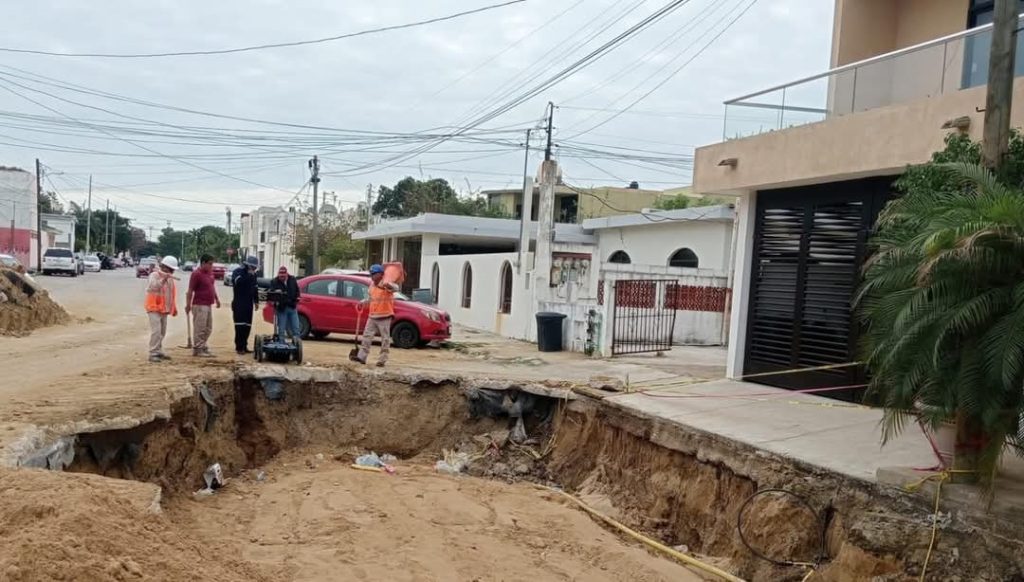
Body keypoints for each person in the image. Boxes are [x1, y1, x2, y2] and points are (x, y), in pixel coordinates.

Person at [351, 263, 399, 367]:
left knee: (385, 339)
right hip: (372, 315)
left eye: (374, 274)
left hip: (385, 315)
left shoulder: (386, 284)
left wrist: (389, 284)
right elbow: (371, 298)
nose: (372, 276)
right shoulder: (372, 285)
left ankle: (382, 360)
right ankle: (362, 357)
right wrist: (363, 302)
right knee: (366, 337)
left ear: (381, 274)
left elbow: (396, 288)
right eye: (371, 274)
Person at [144, 255, 179, 363]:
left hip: (164, 308)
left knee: (162, 331)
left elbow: (170, 294)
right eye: (171, 269)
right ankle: (153, 352)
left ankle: (158, 350)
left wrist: (173, 307)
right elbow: (153, 287)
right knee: (156, 331)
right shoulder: (154, 275)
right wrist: (163, 279)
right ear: (165, 267)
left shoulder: (169, 279)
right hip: (153, 307)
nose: (172, 272)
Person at [186, 254, 220, 357]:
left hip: (208, 304)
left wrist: (217, 298)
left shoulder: (210, 273)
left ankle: (203, 345)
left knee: (208, 327)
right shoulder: (196, 274)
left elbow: (212, 287)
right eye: (210, 264)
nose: (211, 266)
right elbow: (190, 290)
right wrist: (188, 304)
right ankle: (198, 348)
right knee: (200, 328)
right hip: (199, 304)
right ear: (203, 263)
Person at [231, 256, 261, 354]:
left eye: (255, 268)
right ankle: (239, 347)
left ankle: (244, 346)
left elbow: (255, 288)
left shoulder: (254, 275)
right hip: (239, 303)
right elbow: (237, 282)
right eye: (253, 267)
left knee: (247, 326)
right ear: (248, 266)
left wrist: (256, 301)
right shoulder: (238, 272)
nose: (254, 269)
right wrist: (248, 275)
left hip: (249, 304)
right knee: (240, 326)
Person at [269, 266, 300, 339]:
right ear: (278, 274)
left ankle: (296, 344)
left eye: (283, 274)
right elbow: (270, 293)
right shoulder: (274, 281)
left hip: (292, 307)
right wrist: (275, 292)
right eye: (280, 274)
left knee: (296, 328)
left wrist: (297, 298)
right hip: (282, 308)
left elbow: (297, 290)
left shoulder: (292, 279)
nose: (282, 275)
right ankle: (281, 344)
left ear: (287, 274)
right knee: (281, 329)